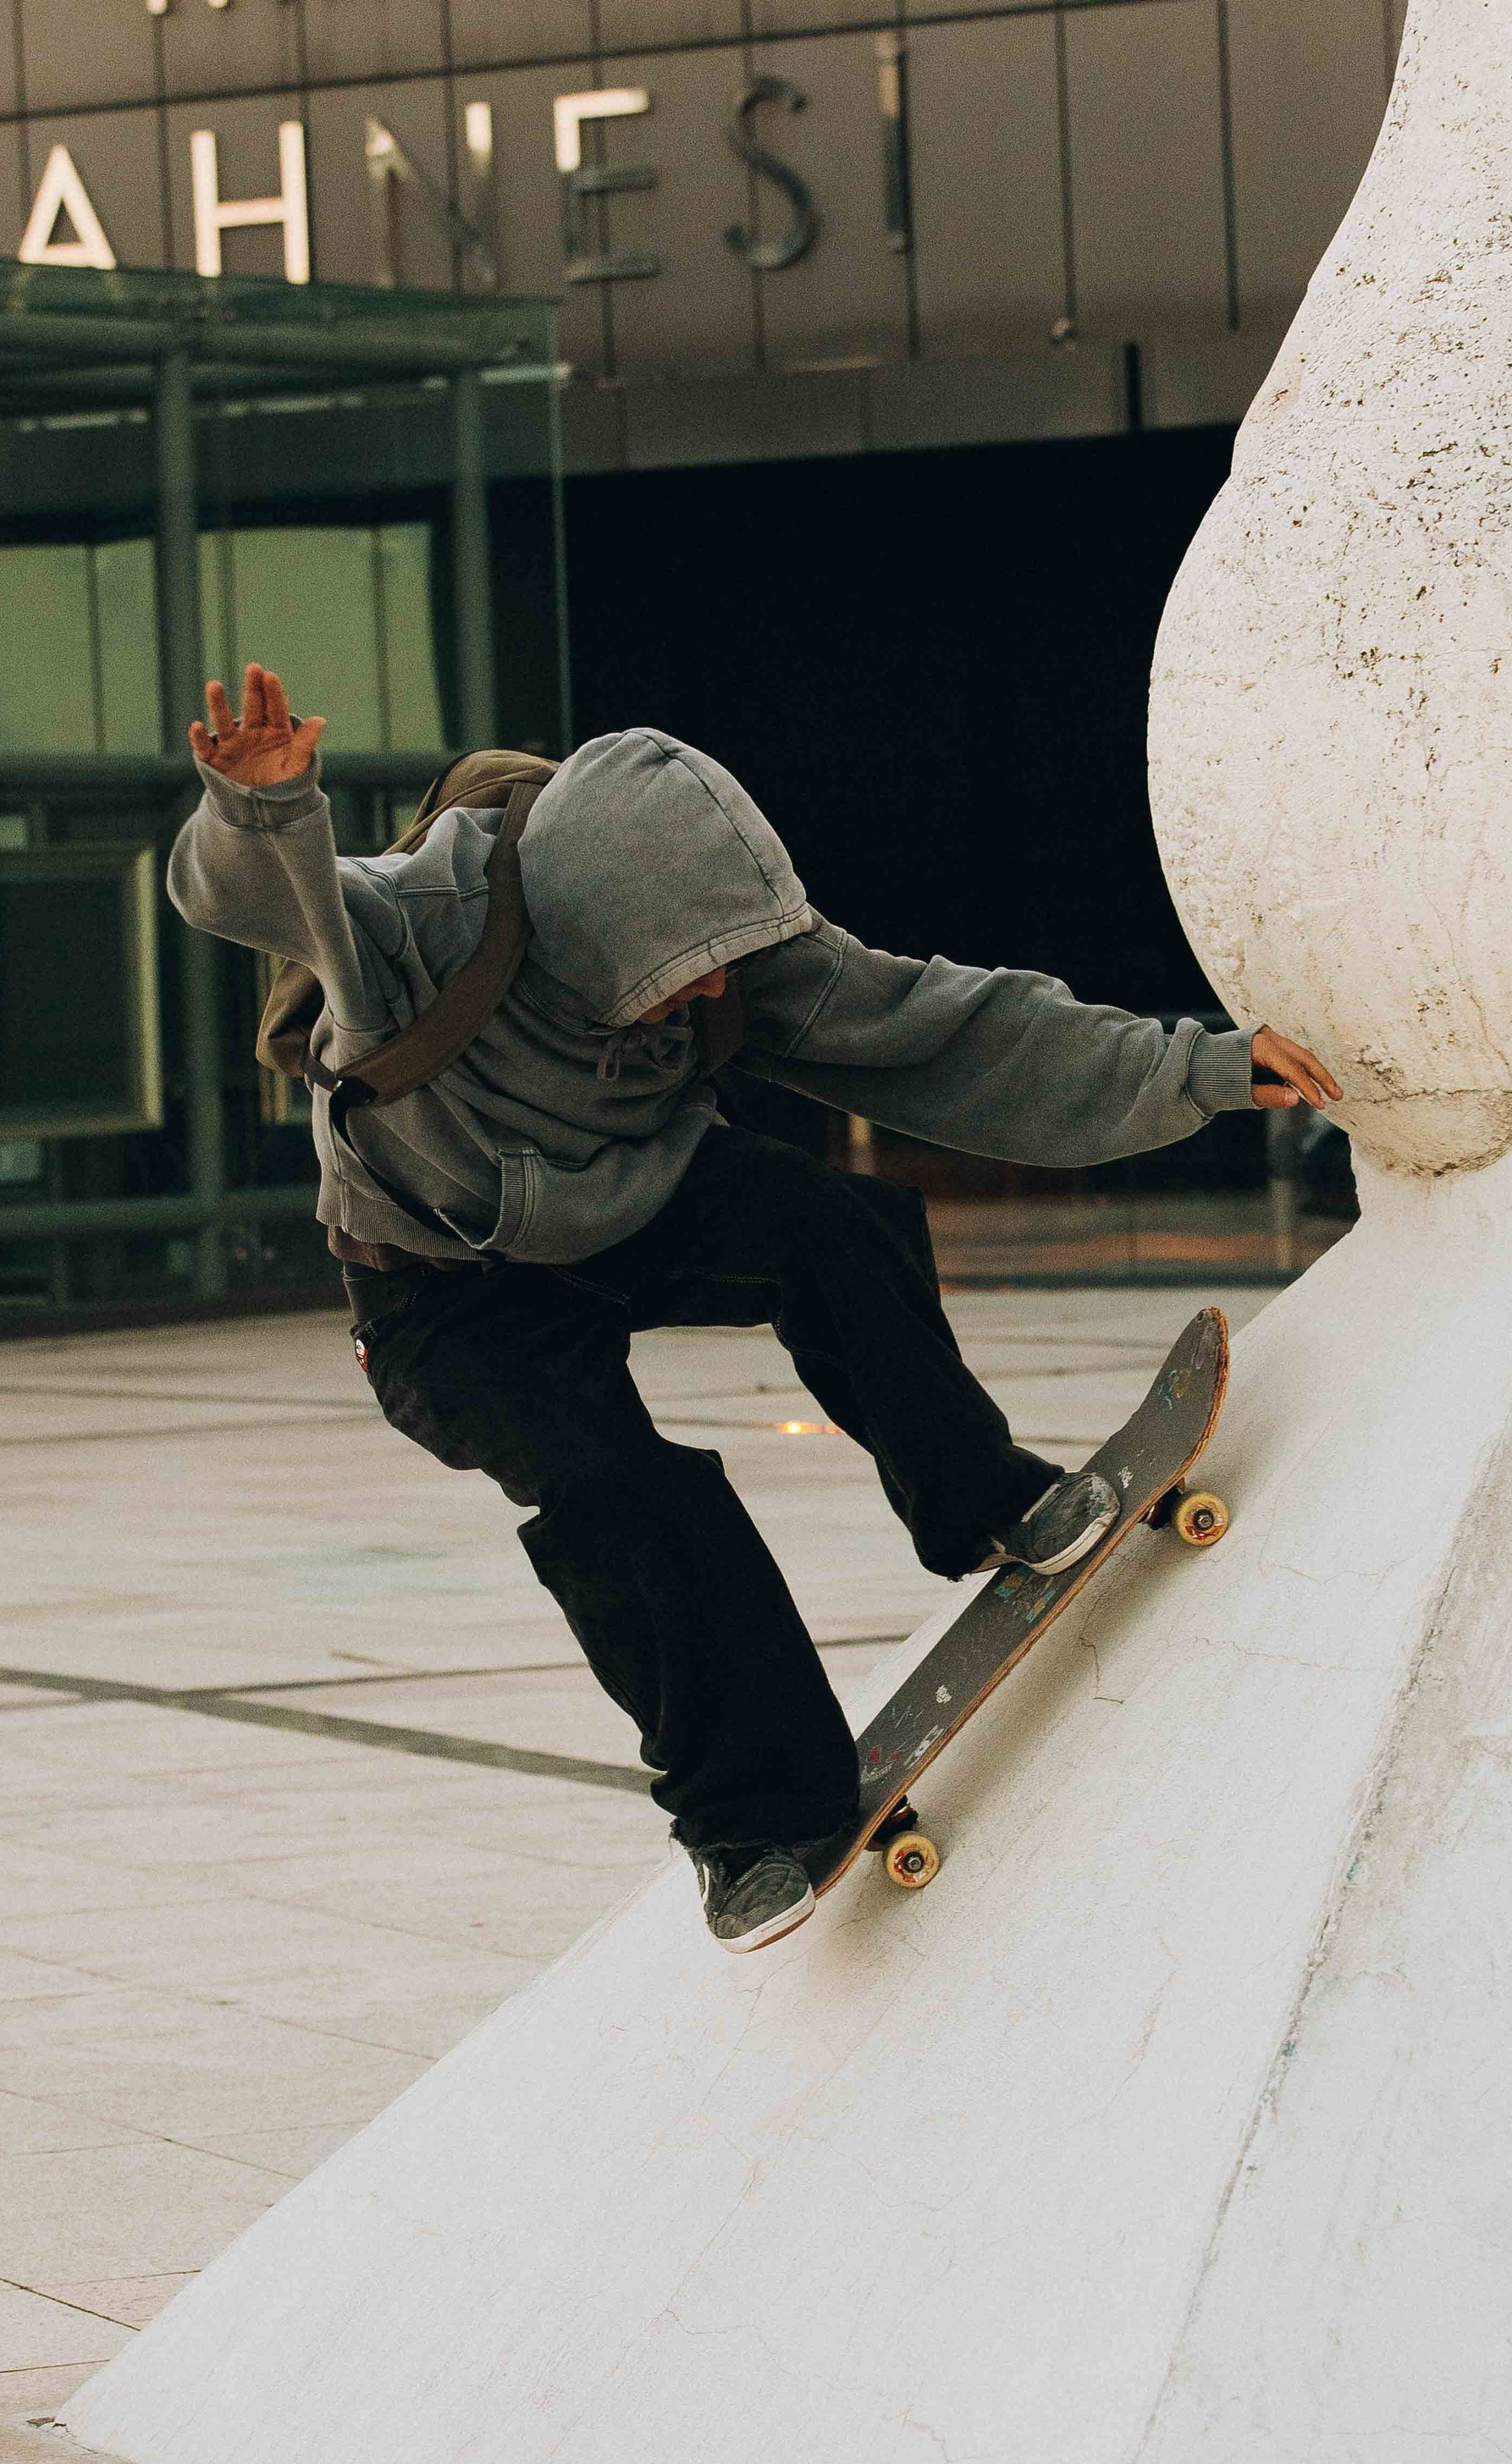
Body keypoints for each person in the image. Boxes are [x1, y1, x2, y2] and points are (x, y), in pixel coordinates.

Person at [172, 666, 1343, 1951]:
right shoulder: (423, 926)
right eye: (679, 980)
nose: (713, 999)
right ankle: (748, 1824)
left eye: (726, 969)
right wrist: (261, 805)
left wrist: (1202, 1066)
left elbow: (957, 1028)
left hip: (636, 1204)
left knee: (838, 1228)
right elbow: (272, 901)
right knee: (621, 1491)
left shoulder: (749, 960)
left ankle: (980, 1498)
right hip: (441, 1288)